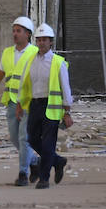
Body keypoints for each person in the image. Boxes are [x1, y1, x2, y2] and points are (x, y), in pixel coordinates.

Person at [0, 16, 40, 185]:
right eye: (13, 30)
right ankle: (35, 161)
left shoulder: (35, 53)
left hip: (28, 102)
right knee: (14, 137)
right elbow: (0, 75)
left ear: (28, 34)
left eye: (18, 31)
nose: (14, 34)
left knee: (23, 137)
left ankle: (23, 174)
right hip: (12, 101)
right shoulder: (7, 53)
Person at [16, 23, 72, 189]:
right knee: (32, 139)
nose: (41, 43)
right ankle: (58, 161)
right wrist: (20, 104)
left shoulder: (58, 62)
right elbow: (24, 84)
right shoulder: (30, 61)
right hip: (35, 106)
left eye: (44, 40)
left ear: (51, 42)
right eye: (39, 40)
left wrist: (67, 111)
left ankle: (44, 178)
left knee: (48, 144)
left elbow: (65, 88)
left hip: (52, 108)